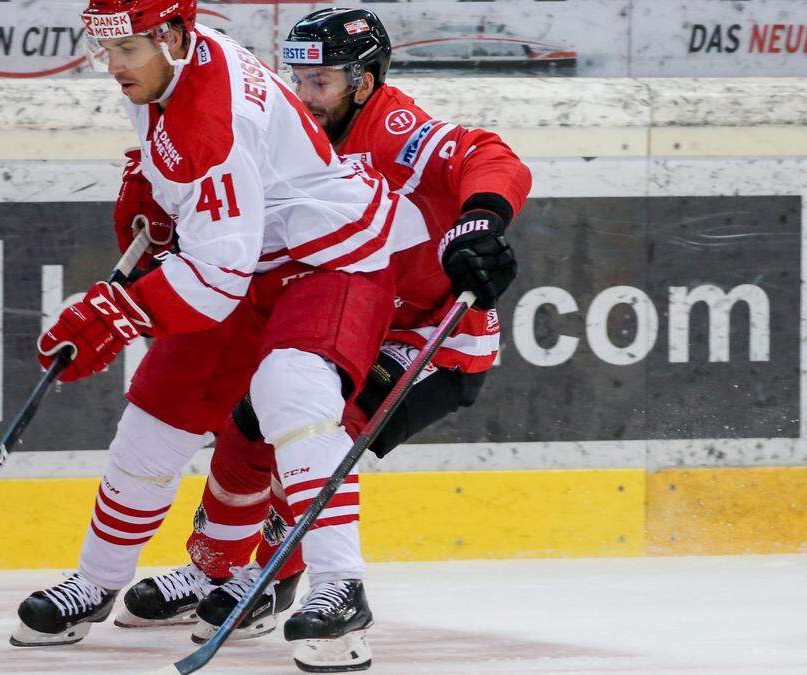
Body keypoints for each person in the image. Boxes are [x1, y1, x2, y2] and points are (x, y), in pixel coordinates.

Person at [11, 2, 435, 670]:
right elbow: (212, 228)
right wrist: (159, 190)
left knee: (291, 388)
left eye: (129, 50)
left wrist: (118, 314)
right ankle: (94, 584)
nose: (114, 66)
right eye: (107, 49)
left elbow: (214, 285)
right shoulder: (174, 65)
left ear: (174, 36)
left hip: (329, 254)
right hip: (246, 248)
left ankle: (339, 587)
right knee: (155, 414)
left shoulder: (214, 123)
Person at [118, 8, 531, 671]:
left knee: (319, 427)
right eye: (298, 79)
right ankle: (217, 570)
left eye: (322, 84)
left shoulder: (393, 127)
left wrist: (480, 220)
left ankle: (291, 585)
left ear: (364, 84)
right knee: (249, 419)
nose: (305, 97)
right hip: (349, 318)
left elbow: (490, 156)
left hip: (432, 339)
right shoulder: (287, 130)